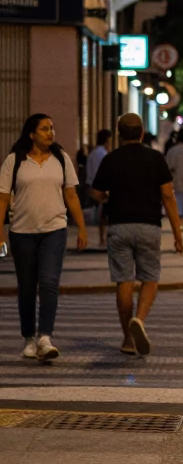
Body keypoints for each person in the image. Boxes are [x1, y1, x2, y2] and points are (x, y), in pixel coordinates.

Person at [90, 113, 183, 355]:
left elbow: (96, 194)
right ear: (142, 133)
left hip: (119, 226)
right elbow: (168, 196)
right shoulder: (155, 159)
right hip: (149, 226)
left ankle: (127, 340)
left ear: (120, 134)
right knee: (150, 277)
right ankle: (139, 319)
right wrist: (178, 232)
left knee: (124, 281)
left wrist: (110, 196)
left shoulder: (110, 159)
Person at [0, 113, 89, 361]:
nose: (51, 132)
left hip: (55, 229)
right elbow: (3, 199)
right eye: (44, 129)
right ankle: (29, 337)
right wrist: (0, 233)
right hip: (22, 232)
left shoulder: (61, 159)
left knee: (49, 282)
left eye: (52, 128)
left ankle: (45, 337)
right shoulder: (14, 160)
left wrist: (81, 227)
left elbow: (71, 195)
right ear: (31, 134)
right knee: (27, 287)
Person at [85, 129, 111, 247]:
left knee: (101, 214)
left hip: (93, 185)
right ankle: (106, 238)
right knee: (106, 214)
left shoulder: (92, 153)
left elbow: (88, 171)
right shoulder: (104, 154)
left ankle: (102, 238)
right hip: (104, 186)